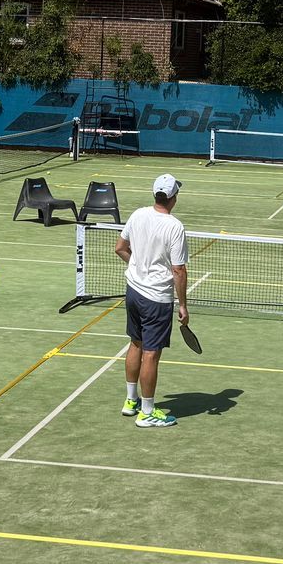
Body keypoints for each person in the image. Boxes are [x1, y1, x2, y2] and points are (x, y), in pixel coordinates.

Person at [114, 173, 190, 429]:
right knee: (151, 354)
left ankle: (130, 400)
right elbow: (178, 270)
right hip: (156, 299)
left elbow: (120, 248)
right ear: (172, 198)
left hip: (133, 292)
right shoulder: (174, 227)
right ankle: (146, 412)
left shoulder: (137, 214)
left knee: (135, 344)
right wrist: (182, 305)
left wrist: (138, 267)